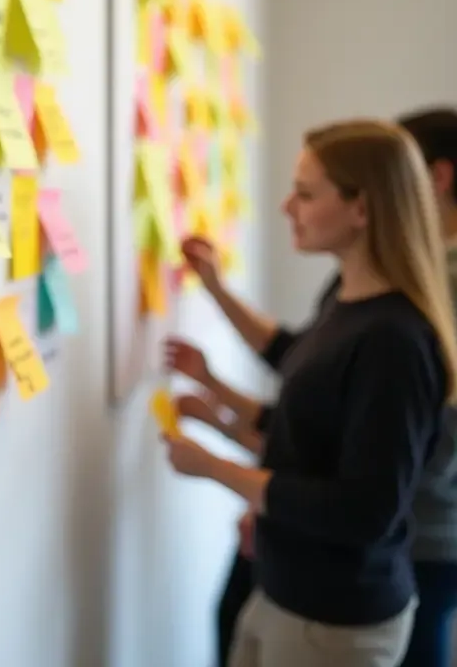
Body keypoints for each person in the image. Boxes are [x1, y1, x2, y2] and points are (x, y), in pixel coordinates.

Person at [161, 119, 457, 667]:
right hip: (287, 591)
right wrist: (219, 404)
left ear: (362, 209)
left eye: (304, 193)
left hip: (334, 618)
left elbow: (363, 511)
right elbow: (311, 410)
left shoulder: (395, 341)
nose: (285, 207)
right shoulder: (348, 297)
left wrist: (214, 467)